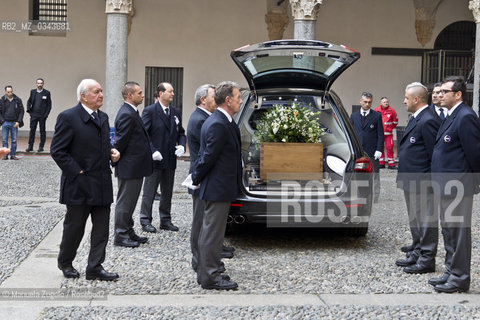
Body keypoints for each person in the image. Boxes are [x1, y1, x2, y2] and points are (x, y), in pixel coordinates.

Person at [50, 79, 120, 281]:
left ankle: (95, 267)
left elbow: (102, 145)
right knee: (74, 228)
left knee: (101, 229)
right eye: (96, 92)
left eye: (101, 91)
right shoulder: (68, 117)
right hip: (79, 184)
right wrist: (77, 173)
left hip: (101, 183)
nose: (101, 95)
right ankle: (66, 262)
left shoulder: (103, 117)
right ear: (83, 96)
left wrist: (111, 152)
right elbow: (58, 151)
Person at [430, 76, 480, 293]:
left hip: (458, 184)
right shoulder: (451, 115)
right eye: (439, 92)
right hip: (445, 185)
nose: (440, 95)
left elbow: (475, 153)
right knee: (448, 231)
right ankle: (451, 271)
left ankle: (460, 278)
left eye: (445, 92)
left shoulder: (466, 116)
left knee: (458, 233)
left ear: (458, 94)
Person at [191, 81, 242, 290]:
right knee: (211, 235)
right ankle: (210, 277)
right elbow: (207, 157)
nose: (240, 100)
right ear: (228, 100)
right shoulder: (218, 123)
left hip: (221, 186)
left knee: (213, 234)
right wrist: (196, 177)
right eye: (238, 97)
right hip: (216, 187)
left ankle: (210, 270)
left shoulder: (224, 121)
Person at [395, 82, 441, 274]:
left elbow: (435, 154)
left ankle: (427, 258)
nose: (404, 101)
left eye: (406, 98)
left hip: (423, 180)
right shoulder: (417, 118)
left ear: (416, 99)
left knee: (426, 220)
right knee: (415, 218)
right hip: (411, 179)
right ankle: (417, 250)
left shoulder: (429, 119)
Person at [139, 82, 186, 232]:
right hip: (155, 159)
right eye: (170, 91)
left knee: (167, 192)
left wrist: (182, 145)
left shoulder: (175, 112)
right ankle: (145, 219)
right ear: (160, 93)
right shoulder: (150, 111)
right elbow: (144, 135)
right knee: (149, 191)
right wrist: (152, 151)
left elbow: (181, 133)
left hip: (170, 158)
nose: (173, 94)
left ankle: (165, 219)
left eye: (173, 91)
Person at [113, 82, 153, 248]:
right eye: (139, 93)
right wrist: (114, 156)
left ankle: (128, 231)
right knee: (125, 202)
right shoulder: (126, 114)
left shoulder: (132, 112)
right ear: (130, 95)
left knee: (130, 202)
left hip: (135, 167)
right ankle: (121, 235)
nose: (142, 95)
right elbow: (121, 142)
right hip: (129, 167)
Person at [350, 92, 383, 202]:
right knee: (357, 173)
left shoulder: (376, 116)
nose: (367, 104)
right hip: (358, 150)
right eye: (365, 102)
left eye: (369, 102)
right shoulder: (353, 116)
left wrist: (379, 150)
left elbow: (380, 134)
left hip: (372, 150)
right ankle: (359, 194)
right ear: (360, 101)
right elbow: (351, 133)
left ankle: (375, 197)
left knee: (375, 175)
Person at [26, 78, 52, 152]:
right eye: (38, 83)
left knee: (42, 131)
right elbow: (29, 101)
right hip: (34, 114)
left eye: (41, 83)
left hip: (42, 115)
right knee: (32, 131)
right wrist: (29, 110)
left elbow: (49, 105)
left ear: (43, 84)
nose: (39, 84)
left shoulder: (47, 93)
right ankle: (30, 146)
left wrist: (46, 114)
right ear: (36, 84)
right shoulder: (33, 92)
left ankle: (41, 146)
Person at [0, 85, 24, 160]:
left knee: (14, 140)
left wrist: (18, 121)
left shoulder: (17, 99)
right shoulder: (2, 100)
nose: (10, 93)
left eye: (11, 91)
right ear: (5, 92)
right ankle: (5, 155)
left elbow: (21, 111)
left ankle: (13, 155)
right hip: (5, 122)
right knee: (4, 140)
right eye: (8, 92)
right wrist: (2, 121)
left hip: (14, 123)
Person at [374, 97, 398, 169]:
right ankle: (381, 163)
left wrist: (390, 128)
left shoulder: (392, 111)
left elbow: (395, 122)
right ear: (381, 103)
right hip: (380, 134)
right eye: (384, 102)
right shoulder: (376, 111)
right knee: (380, 148)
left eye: (387, 102)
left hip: (388, 134)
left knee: (390, 148)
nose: (386, 103)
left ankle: (391, 164)